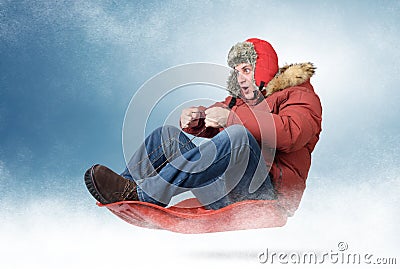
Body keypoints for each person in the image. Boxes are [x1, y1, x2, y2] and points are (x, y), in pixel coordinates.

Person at [84, 38, 322, 215]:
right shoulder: (239, 100)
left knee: (237, 135)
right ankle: (127, 186)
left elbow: (292, 134)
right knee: (167, 136)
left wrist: (230, 120)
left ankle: (146, 195)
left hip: (267, 196)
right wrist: (195, 119)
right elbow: (215, 118)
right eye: (237, 71)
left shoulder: (299, 94)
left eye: (247, 69)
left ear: (264, 69)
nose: (240, 77)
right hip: (227, 190)